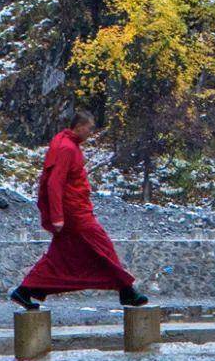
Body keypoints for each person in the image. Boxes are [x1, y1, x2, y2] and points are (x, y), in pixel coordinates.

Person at [10, 108, 148, 310]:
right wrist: (57, 216)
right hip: (74, 213)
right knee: (103, 245)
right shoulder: (66, 148)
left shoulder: (66, 144)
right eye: (89, 129)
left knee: (61, 255)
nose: (90, 133)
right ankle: (126, 290)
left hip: (74, 209)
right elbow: (54, 183)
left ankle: (26, 291)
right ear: (80, 126)